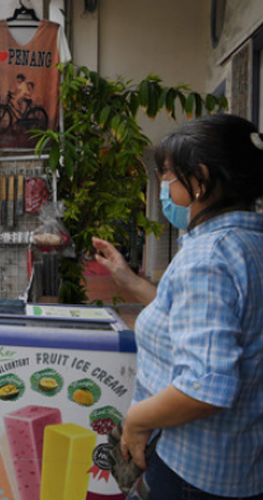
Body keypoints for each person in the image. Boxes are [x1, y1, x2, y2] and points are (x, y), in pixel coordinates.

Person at [92, 114, 263, 500]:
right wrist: (129, 280)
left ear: (200, 180)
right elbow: (196, 320)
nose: (164, 187)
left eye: (168, 175)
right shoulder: (247, 244)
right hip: (243, 462)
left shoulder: (208, 258)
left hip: (193, 471)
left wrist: (136, 420)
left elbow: (205, 386)